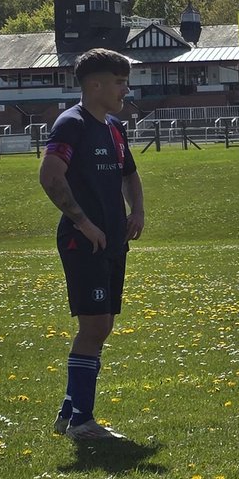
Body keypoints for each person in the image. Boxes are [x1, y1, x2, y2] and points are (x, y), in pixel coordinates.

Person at [39, 48, 145, 441]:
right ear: (95, 84)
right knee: (95, 325)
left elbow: (130, 175)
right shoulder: (73, 124)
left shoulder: (114, 128)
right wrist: (82, 223)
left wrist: (138, 212)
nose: (125, 89)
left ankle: (70, 414)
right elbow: (50, 176)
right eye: (119, 82)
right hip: (83, 242)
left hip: (113, 242)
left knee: (102, 327)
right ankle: (82, 422)